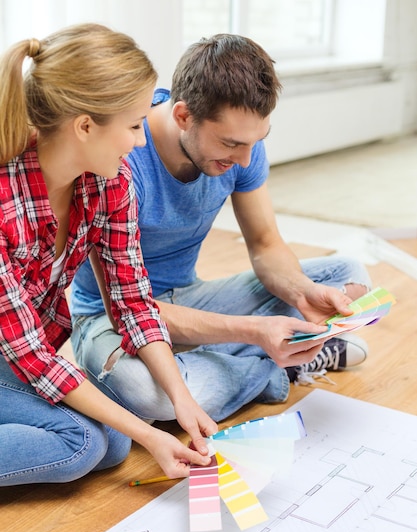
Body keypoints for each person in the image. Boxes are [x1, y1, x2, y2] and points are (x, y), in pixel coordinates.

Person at [0, 22, 255, 487]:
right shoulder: (4, 198)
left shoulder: (109, 181)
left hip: (19, 350)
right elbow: (31, 354)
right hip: (16, 351)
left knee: (113, 444)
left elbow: (133, 303)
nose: (142, 141)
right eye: (135, 125)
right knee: (85, 444)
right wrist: (152, 437)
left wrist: (182, 400)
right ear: (84, 126)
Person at [70, 33, 372, 425]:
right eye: (231, 143)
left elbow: (265, 244)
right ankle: (273, 366)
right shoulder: (120, 158)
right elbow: (128, 307)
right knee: (148, 395)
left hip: (190, 299)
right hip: (109, 320)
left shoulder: (242, 145)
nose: (245, 159)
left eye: (256, 141)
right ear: (183, 116)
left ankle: (228, 360)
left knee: (349, 277)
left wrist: (301, 290)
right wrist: (254, 331)